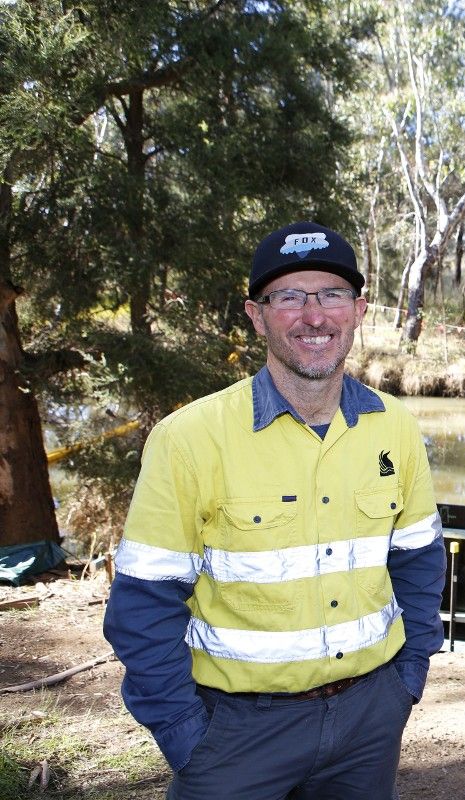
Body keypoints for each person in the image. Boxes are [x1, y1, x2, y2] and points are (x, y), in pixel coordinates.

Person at [103, 221, 446, 799]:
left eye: (332, 294)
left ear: (359, 310)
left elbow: (420, 564)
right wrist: (188, 734)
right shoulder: (188, 439)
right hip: (235, 735)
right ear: (256, 315)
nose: (315, 316)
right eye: (289, 297)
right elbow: (143, 604)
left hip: (369, 724)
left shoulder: (398, 429)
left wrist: (406, 681)